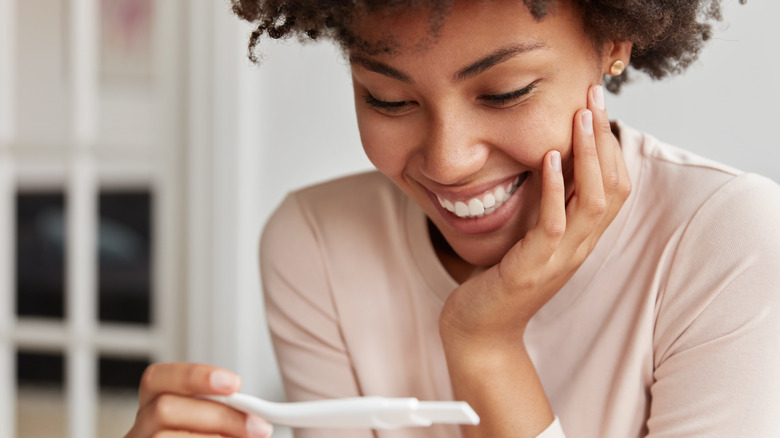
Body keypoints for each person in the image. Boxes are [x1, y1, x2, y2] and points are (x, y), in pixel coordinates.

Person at [125, 0, 780, 437]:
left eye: (505, 92)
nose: (448, 160)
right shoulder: (318, 245)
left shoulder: (723, 241)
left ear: (614, 43)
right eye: (387, 99)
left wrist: (486, 344)